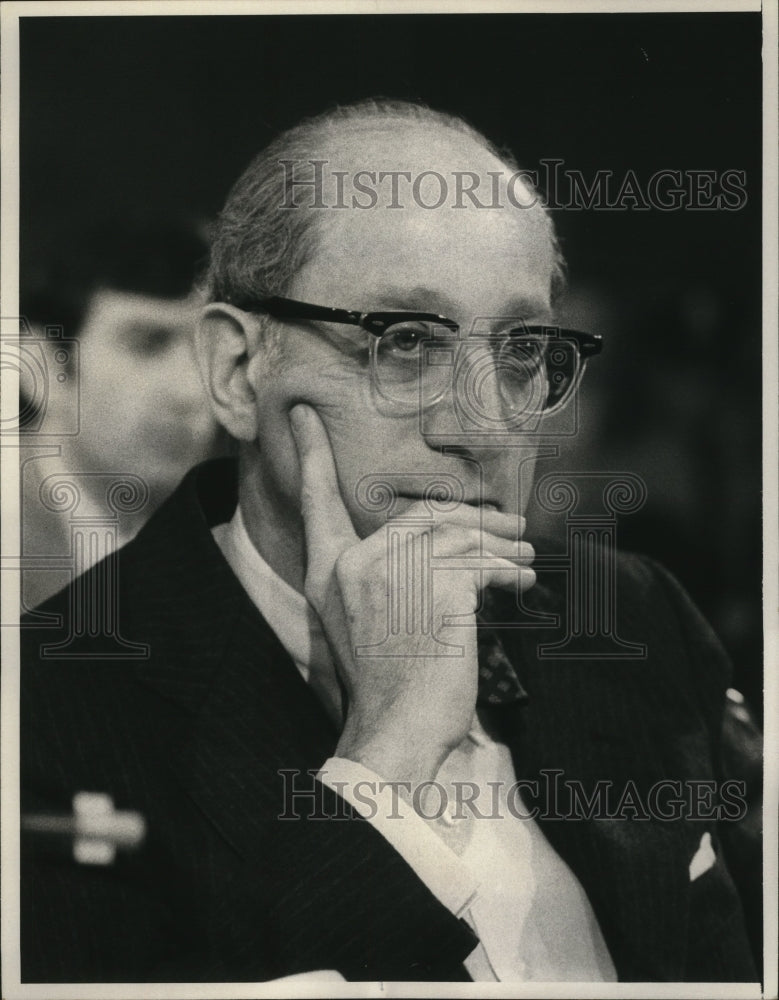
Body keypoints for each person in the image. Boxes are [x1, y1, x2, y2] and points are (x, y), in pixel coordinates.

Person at [20, 100, 757, 983]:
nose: (481, 429)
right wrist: (386, 763)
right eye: (405, 342)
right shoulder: (47, 714)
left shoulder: (634, 617)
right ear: (236, 371)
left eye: (521, 350)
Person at [18, 218, 222, 611]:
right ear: (43, 368)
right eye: (147, 344)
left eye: (211, 351)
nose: (192, 391)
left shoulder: (220, 539)